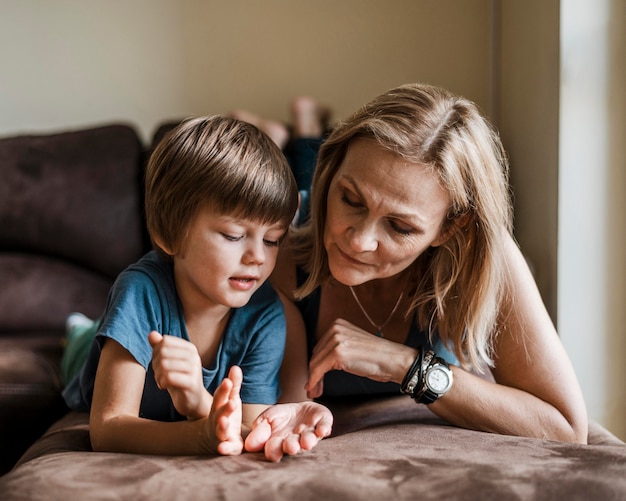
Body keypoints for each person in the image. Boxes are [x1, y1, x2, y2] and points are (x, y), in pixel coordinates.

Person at [265, 83, 588, 443]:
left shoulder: (484, 251)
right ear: (332, 169)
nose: (359, 240)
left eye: (400, 227)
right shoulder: (278, 238)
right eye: (351, 199)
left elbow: (565, 428)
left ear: (450, 227)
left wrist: (404, 365)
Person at [61, 115, 333, 462]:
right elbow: (107, 427)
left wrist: (198, 404)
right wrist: (199, 436)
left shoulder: (265, 315)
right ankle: (79, 330)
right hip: (85, 355)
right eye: (234, 236)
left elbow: (248, 430)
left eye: (273, 240)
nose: (258, 258)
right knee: (82, 340)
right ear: (169, 235)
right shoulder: (140, 292)